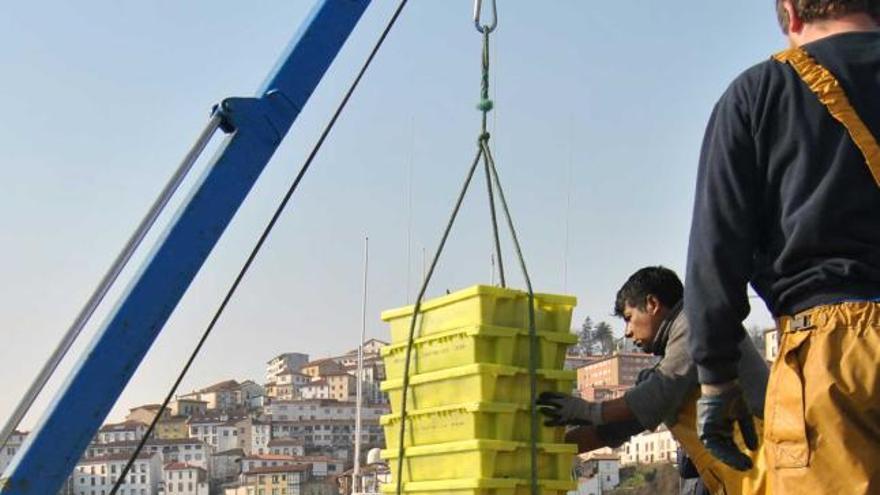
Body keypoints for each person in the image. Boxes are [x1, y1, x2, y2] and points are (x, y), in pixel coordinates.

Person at [683, 1, 880, 493]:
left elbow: (717, 246)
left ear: (791, 12)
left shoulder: (758, 94)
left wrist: (716, 378)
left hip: (829, 360)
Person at [537, 266, 769, 495]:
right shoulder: (674, 361)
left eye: (629, 318)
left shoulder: (695, 324)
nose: (627, 332)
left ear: (652, 304)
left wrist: (586, 409)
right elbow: (619, 425)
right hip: (742, 476)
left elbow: (657, 394)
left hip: (765, 468)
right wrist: (546, 450)